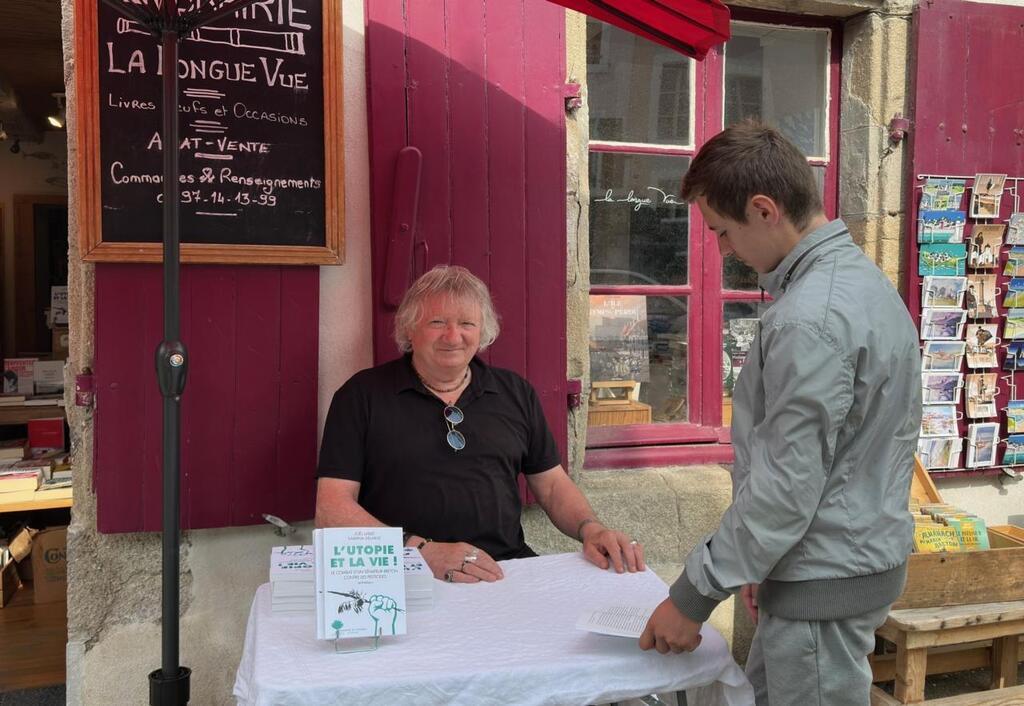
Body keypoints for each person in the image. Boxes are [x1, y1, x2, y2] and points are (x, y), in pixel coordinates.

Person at [639, 122, 921, 706]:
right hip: (838, 559)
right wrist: (759, 565)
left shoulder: (811, 315)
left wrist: (692, 595)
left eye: (722, 231)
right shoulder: (860, 283)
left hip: (825, 572)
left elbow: (787, 486)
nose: (723, 250)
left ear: (764, 209)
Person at [315, 265, 644, 583]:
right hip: (405, 576)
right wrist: (420, 553)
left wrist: (592, 529)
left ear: (483, 332)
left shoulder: (514, 392)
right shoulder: (362, 396)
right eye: (437, 321)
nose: (453, 336)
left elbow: (553, 485)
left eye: (467, 323)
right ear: (409, 328)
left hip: (504, 572)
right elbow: (332, 509)